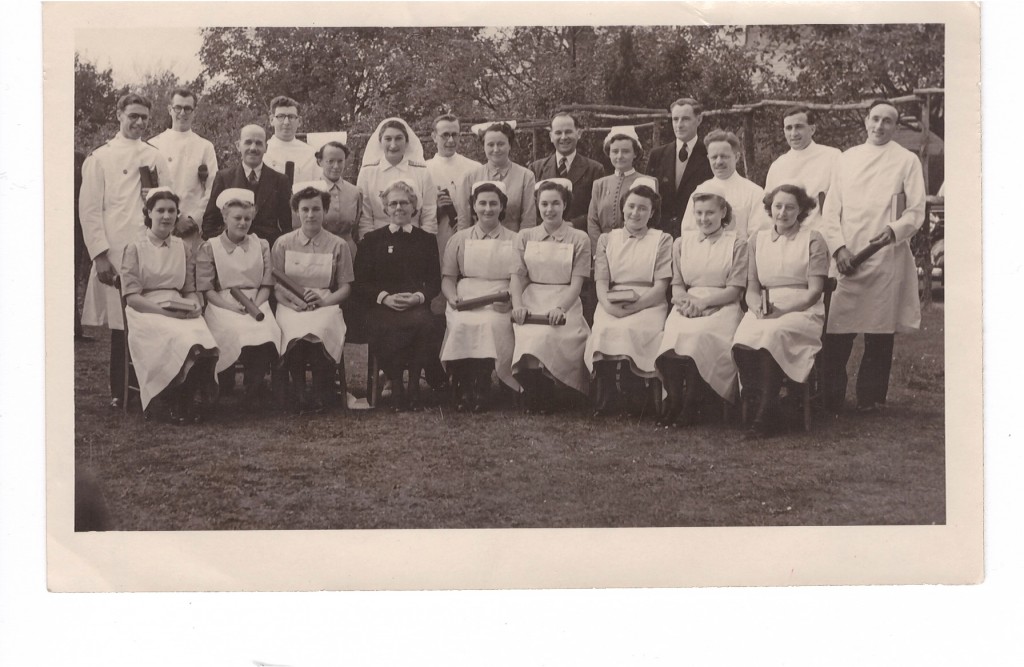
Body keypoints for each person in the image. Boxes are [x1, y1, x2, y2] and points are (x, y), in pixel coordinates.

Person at [819, 99, 926, 413]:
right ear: (865, 121)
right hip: (847, 257)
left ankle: (870, 400)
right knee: (837, 331)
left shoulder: (907, 161)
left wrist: (893, 231)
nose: (880, 126)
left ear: (895, 125)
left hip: (885, 257)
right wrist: (839, 250)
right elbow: (830, 212)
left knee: (879, 334)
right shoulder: (846, 159)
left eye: (887, 121)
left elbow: (916, 209)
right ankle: (831, 398)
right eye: (875, 119)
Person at [79, 92, 172, 407]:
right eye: (132, 115)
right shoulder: (100, 157)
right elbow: (90, 210)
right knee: (123, 325)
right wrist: (100, 255)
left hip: (149, 248)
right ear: (119, 115)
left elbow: (167, 203)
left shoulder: (155, 156)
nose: (138, 122)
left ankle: (154, 387)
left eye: (144, 117)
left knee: (151, 317)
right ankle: (120, 392)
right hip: (116, 249)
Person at [732, 185, 828, 438]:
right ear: (769, 208)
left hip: (802, 309)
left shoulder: (813, 238)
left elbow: (815, 292)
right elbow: (751, 289)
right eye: (777, 206)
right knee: (743, 337)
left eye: (790, 207)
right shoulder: (758, 240)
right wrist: (756, 308)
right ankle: (763, 401)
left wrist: (783, 311)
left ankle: (766, 413)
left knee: (773, 334)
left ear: (802, 210)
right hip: (765, 306)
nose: (782, 213)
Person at [120, 188, 219, 423]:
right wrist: (165, 313)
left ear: (177, 215)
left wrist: (195, 305)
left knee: (201, 336)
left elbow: (189, 288)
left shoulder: (182, 247)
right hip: (146, 310)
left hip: (178, 307)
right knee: (180, 338)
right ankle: (173, 400)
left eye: (171, 211)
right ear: (148, 213)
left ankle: (186, 397)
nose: (166, 216)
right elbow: (132, 297)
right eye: (160, 211)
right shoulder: (135, 248)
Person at [655, 182, 747, 427]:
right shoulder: (681, 243)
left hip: (723, 306)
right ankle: (674, 400)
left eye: (710, 212)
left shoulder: (737, 244)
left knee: (699, 336)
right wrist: (685, 303)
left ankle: (692, 402)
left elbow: (735, 290)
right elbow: (677, 285)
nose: (704, 218)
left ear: (723, 212)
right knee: (673, 335)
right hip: (687, 305)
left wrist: (704, 303)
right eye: (699, 213)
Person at [585, 181, 672, 417]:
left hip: (649, 302)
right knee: (603, 329)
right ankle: (606, 395)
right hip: (613, 300)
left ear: (652, 213)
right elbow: (601, 281)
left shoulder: (662, 240)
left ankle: (635, 395)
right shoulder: (607, 239)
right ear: (623, 208)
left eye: (643, 208)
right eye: (631, 206)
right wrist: (606, 305)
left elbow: (661, 285)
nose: (635, 213)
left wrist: (636, 306)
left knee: (635, 329)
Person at [354, 180, 442, 410]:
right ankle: (396, 385)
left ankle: (413, 384)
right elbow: (361, 283)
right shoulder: (372, 241)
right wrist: (385, 297)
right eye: (393, 203)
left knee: (426, 324)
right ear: (385, 209)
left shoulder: (426, 240)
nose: (399, 208)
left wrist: (418, 297)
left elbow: (434, 282)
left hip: (415, 306)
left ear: (414, 207)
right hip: (383, 307)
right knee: (382, 326)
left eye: (405, 202)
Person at [272, 182, 354, 414]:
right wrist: (293, 303)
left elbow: (345, 288)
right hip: (291, 304)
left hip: (325, 302)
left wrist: (323, 302)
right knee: (294, 330)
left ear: (325, 211)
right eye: (305, 209)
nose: (310, 215)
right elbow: (276, 284)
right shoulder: (283, 243)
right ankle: (299, 391)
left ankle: (320, 389)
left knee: (322, 326)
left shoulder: (338, 245)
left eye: (316, 209)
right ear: (297, 211)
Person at [510, 178, 592, 413]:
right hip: (532, 296)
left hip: (564, 298)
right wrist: (518, 305)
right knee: (529, 333)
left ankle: (549, 390)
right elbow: (517, 276)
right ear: (537, 205)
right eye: (544, 204)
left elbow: (577, 282)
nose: (549, 209)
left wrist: (561, 308)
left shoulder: (579, 238)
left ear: (565, 205)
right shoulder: (525, 236)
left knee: (549, 333)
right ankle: (536, 390)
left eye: (555, 203)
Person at [196, 188, 282, 407]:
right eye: (237, 218)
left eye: (247, 218)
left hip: (257, 300)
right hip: (222, 303)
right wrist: (230, 307)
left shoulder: (262, 245)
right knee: (230, 330)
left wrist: (258, 303)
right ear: (225, 217)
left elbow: (266, 283)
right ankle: (224, 381)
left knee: (266, 329)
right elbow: (207, 289)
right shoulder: (210, 247)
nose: (243, 223)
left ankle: (253, 387)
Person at [439, 181, 520, 412]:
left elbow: (519, 278)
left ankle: (482, 384)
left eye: (493, 203)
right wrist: (452, 298)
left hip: (500, 298)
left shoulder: (515, 240)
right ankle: (463, 385)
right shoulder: (458, 239)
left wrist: (510, 301)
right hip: (466, 297)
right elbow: (448, 278)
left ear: (502, 206)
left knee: (493, 324)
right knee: (462, 323)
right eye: (482, 203)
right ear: (473, 206)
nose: (487, 209)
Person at [202, 124, 293, 247]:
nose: (253, 148)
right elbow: (210, 222)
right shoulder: (224, 177)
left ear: (266, 147)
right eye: (248, 142)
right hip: (231, 252)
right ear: (238, 146)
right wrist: (223, 248)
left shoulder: (280, 180)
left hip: (267, 251)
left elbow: (287, 226)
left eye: (259, 143)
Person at [148, 88, 219, 235]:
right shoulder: (153, 144)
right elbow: (148, 188)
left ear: (194, 112)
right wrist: (172, 218)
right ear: (170, 109)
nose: (182, 113)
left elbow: (213, 188)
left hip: (192, 228)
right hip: (159, 225)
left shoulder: (205, 146)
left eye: (188, 108)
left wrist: (193, 219)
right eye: (178, 108)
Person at [356, 117, 438, 241]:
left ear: (406, 142)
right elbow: (365, 217)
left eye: (399, 138)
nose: (393, 145)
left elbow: (429, 214)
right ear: (380, 142)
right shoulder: (368, 172)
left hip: (414, 239)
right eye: (388, 139)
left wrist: (424, 243)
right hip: (378, 241)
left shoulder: (421, 172)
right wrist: (369, 245)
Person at [764, 105, 841, 232]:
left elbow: (839, 202)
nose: (793, 133)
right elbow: (768, 209)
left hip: (821, 237)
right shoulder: (778, 165)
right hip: (786, 238)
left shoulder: (832, 156)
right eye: (789, 128)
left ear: (812, 129)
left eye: (799, 127)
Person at [645, 97, 714, 238]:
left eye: (686, 119)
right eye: (675, 119)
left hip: (697, 234)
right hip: (661, 235)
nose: (679, 125)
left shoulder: (710, 156)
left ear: (699, 120)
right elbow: (648, 198)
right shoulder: (657, 155)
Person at [528, 112, 606, 232]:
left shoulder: (595, 169)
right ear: (551, 136)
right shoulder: (536, 168)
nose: (564, 137)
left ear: (578, 133)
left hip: (580, 237)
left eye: (568, 132)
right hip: (545, 238)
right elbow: (531, 209)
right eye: (558, 133)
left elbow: (598, 210)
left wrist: (573, 224)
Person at [680, 130, 765, 240]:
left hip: (740, 255)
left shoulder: (754, 192)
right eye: (714, 157)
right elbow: (688, 232)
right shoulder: (700, 191)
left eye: (724, 156)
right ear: (708, 158)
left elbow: (758, 235)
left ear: (737, 157)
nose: (719, 162)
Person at [455, 121, 537, 232]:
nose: (496, 149)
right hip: (477, 245)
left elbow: (528, 221)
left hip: (513, 244)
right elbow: (464, 221)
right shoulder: (470, 177)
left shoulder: (526, 176)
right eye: (490, 144)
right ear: (483, 146)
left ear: (510, 145)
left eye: (501, 144)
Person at [587, 126, 654, 252]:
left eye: (626, 151)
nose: (619, 156)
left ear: (635, 153)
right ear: (609, 153)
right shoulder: (599, 184)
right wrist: (599, 251)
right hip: (604, 250)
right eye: (615, 151)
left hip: (636, 248)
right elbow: (592, 221)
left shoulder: (647, 181)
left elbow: (651, 219)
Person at [425, 113, 479, 259]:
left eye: (455, 135)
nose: (450, 140)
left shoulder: (474, 168)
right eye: (445, 135)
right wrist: (436, 209)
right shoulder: (424, 170)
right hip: (436, 240)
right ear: (434, 136)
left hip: (469, 240)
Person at [310, 134, 361, 254]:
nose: (336, 166)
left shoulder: (355, 192)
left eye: (340, 161)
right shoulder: (311, 190)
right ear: (320, 161)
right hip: (318, 251)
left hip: (348, 251)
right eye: (330, 161)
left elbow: (356, 227)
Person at [263, 95, 320, 183]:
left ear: (299, 121)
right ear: (271, 120)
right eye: (281, 116)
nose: (286, 122)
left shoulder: (310, 153)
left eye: (291, 117)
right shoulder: (263, 152)